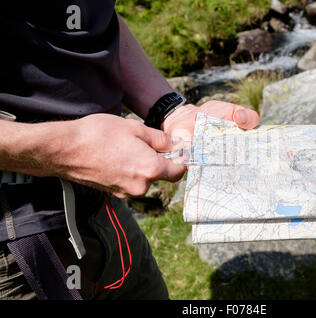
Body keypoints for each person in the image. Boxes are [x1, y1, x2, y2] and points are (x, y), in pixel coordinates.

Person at [0, 1, 259, 299]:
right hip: (15, 246)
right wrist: (67, 149)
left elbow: (94, 19)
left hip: (106, 211)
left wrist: (171, 110)